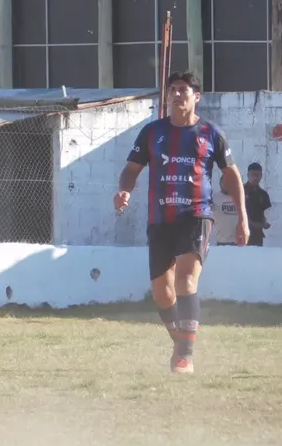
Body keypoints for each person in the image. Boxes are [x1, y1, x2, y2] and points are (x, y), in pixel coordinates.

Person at [114, 70, 248, 375]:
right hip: (160, 220)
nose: (177, 94)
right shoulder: (152, 132)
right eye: (172, 89)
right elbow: (131, 170)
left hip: (196, 216)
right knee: (162, 292)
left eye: (183, 90)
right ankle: (181, 341)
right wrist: (123, 190)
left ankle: (185, 356)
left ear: (196, 96)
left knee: (186, 281)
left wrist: (243, 219)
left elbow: (231, 176)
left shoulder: (211, 133)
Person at [243, 162, 272, 246]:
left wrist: (265, 223)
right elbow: (235, 212)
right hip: (242, 232)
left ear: (261, 176)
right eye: (253, 174)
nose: (255, 177)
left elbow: (266, 214)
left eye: (258, 175)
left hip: (257, 235)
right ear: (248, 175)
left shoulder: (263, 194)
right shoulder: (241, 191)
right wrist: (250, 223)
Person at [213, 174, 240, 246]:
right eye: (224, 181)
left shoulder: (239, 197)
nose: (227, 184)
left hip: (238, 243)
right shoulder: (214, 198)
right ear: (220, 183)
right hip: (221, 242)